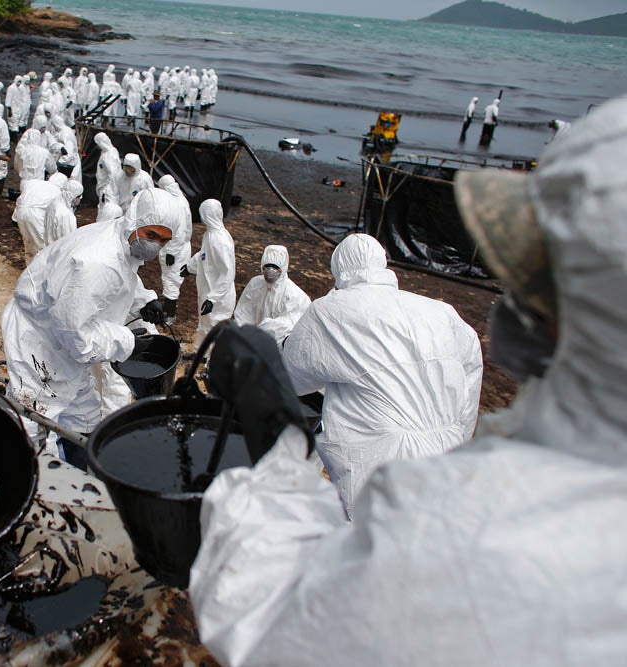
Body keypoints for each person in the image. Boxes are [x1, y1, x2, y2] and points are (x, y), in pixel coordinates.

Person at [190, 94, 627, 667]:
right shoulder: (447, 317)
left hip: (378, 461)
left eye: (531, 268)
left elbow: (275, 621)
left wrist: (274, 455)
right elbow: (468, 391)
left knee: (349, 544)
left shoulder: (470, 525)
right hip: (446, 447)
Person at [281, 233, 482, 514]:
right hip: (446, 450)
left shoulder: (330, 311)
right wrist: (459, 433)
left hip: (380, 456)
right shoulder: (440, 311)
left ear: (338, 268)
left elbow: (292, 378)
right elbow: (471, 368)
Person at [1, 188, 180, 460]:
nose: (155, 246)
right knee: (33, 420)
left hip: (63, 336)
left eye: (163, 241)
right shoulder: (97, 263)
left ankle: (80, 464)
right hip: (40, 343)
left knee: (84, 418)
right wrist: (128, 342)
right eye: (151, 236)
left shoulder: (120, 235)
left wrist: (142, 301)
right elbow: (76, 336)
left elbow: (123, 275)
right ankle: (35, 482)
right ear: (135, 221)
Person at [180, 199, 236, 348]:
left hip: (219, 296)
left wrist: (213, 298)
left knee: (216, 330)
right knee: (204, 324)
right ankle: (201, 354)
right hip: (208, 289)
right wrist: (189, 267)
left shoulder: (219, 241)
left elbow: (227, 272)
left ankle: (211, 365)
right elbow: (203, 255)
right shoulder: (210, 234)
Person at [233, 245, 311, 345]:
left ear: (283, 267)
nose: (270, 271)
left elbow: (286, 328)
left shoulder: (295, 296)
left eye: (275, 267)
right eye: (267, 266)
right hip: (251, 343)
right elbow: (244, 313)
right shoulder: (255, 284)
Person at [155, 174, 191, 323]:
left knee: (172, 279)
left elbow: (180, 232)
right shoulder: (178, 200)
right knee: (168, 278)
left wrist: (172, 252)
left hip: (176, 249)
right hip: (174, 247)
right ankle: (168, 306)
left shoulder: (178, 204)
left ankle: (170, 313)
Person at [11, 172, 68, 265]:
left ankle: (29, 267)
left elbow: (22, 195)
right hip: (36, 215)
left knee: (28, 242)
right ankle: (40, 271)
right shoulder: (57, 192)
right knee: (41, 244)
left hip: (21, 211)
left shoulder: (34, 183)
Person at [42, 178, 83, 246]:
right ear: (72, 195)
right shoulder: (66, 215)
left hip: (49, 248)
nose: (79, 199)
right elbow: (68, 240)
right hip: (59, 251)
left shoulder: (53, 204)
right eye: (78, 196)